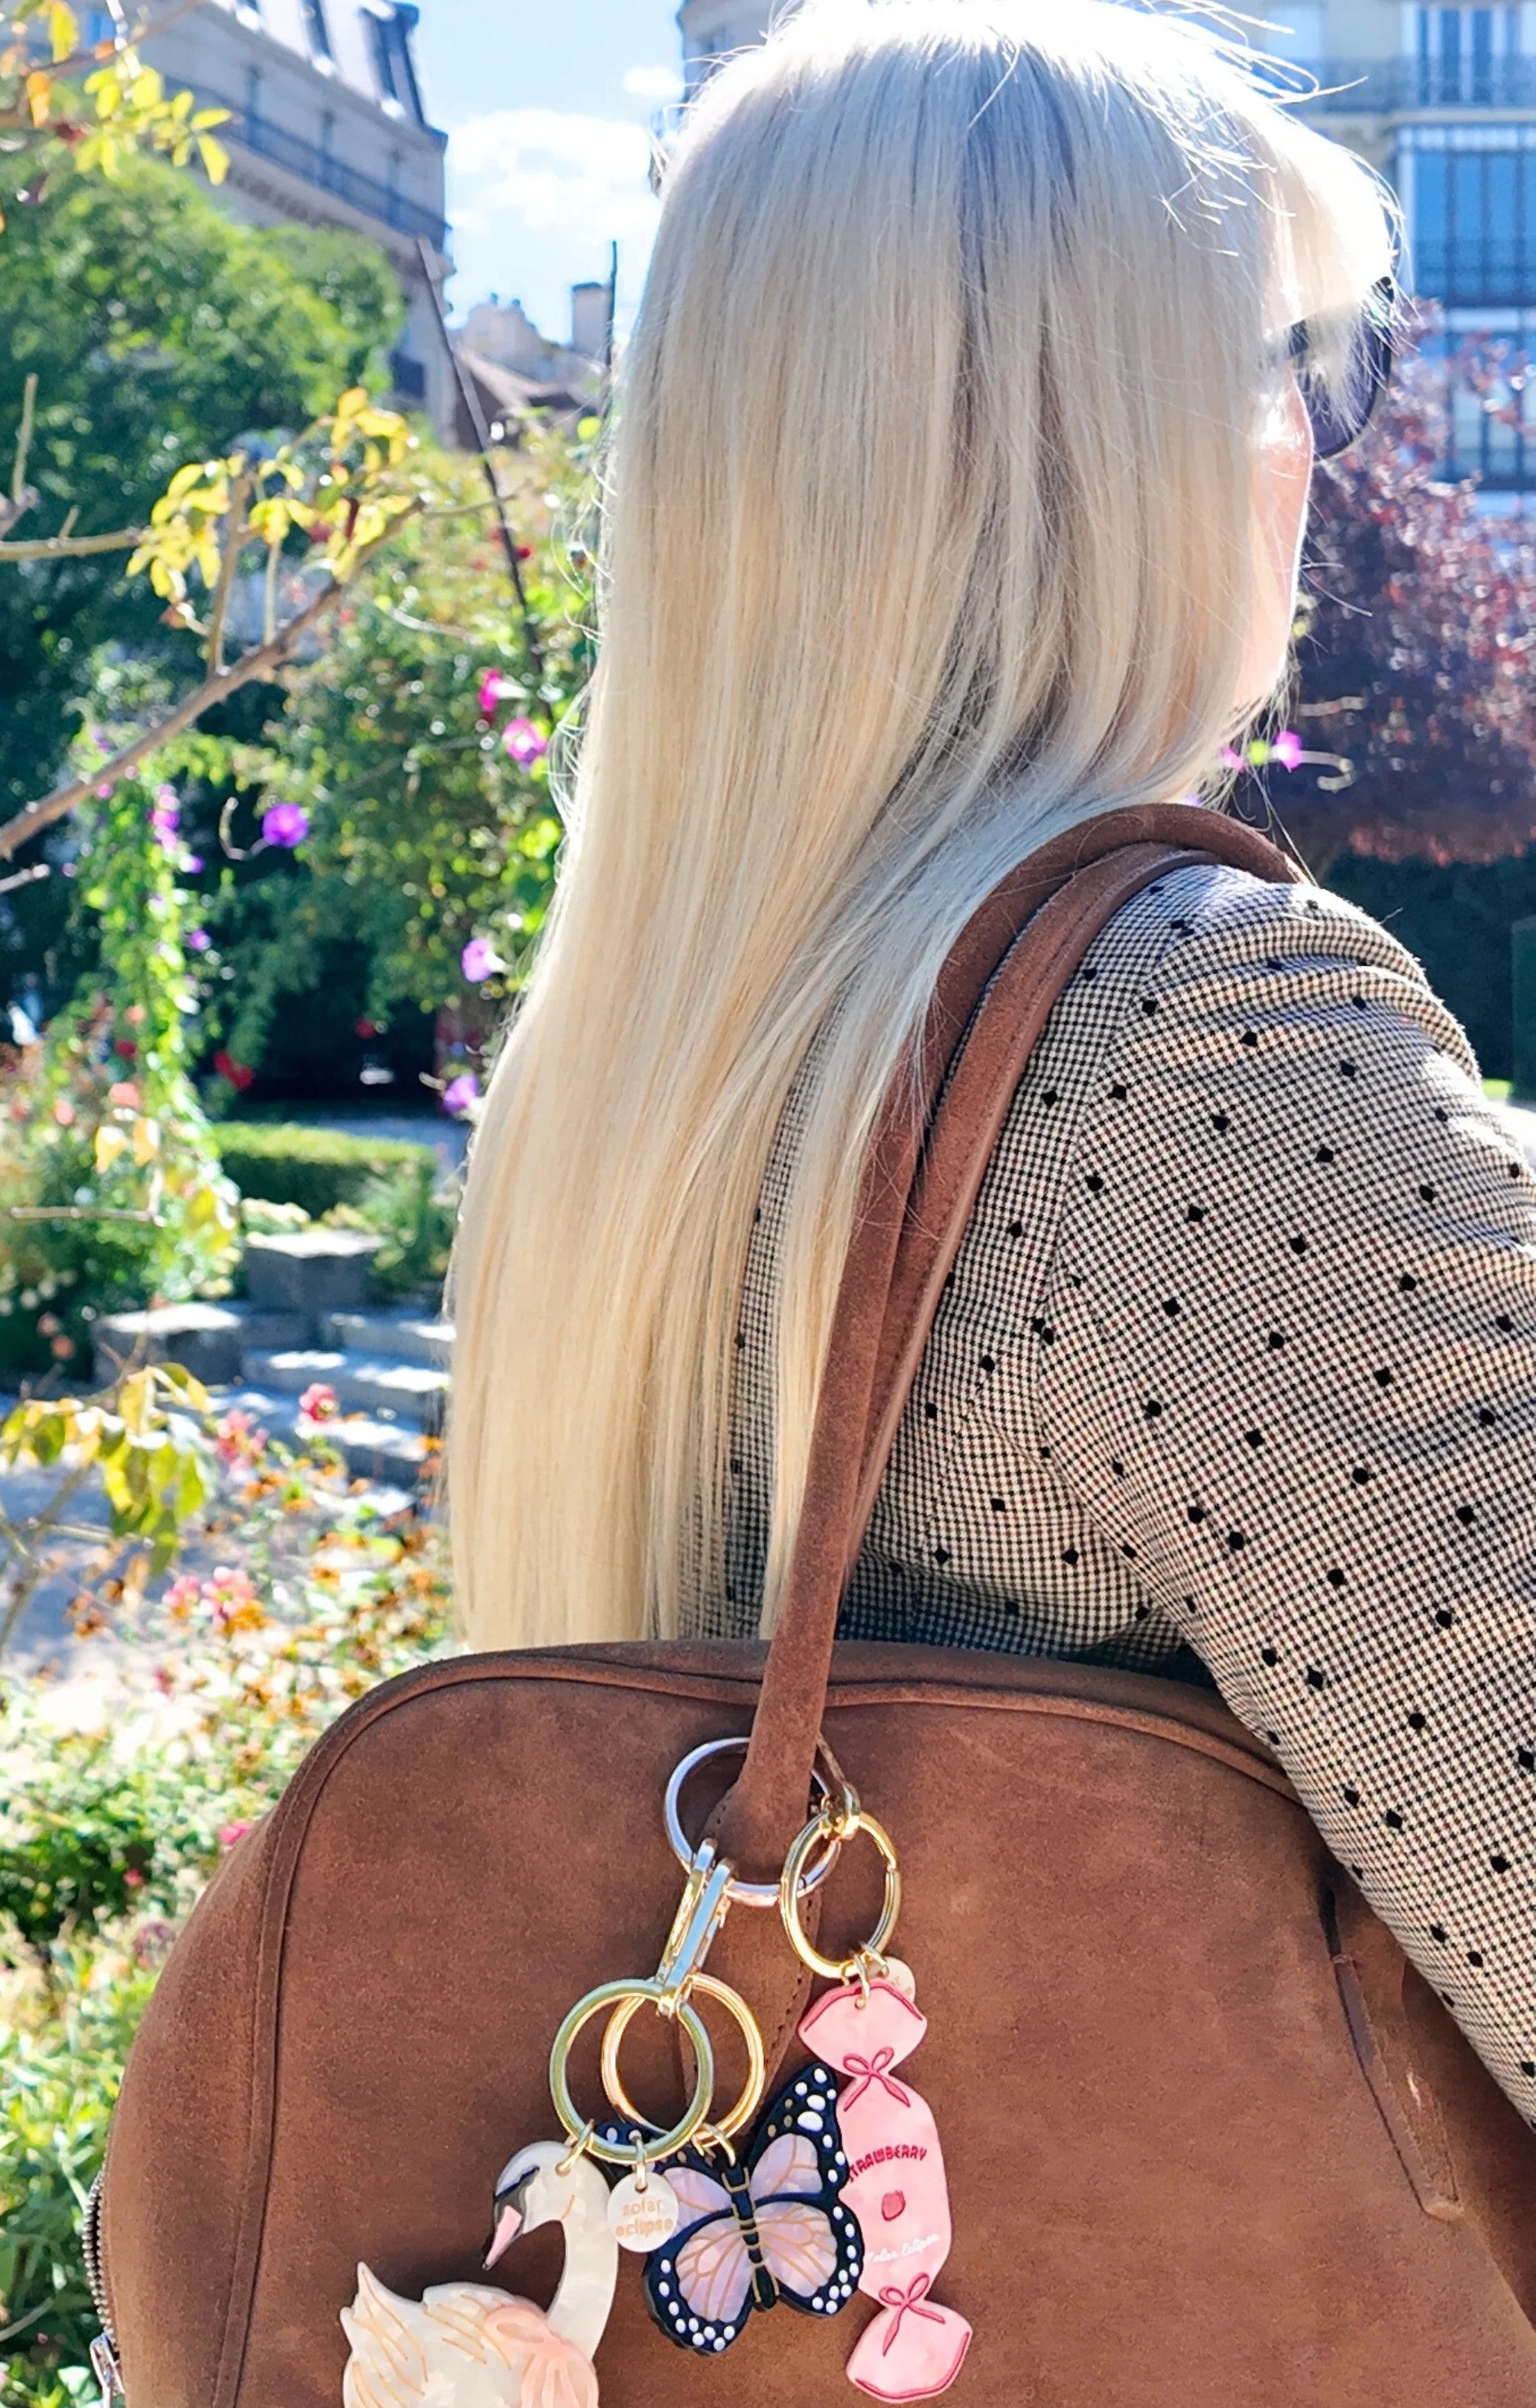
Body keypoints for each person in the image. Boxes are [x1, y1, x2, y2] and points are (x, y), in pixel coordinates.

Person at [448, 0, 1536, 2127]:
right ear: (1092, 447)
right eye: (1262, 365)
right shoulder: (1190, 1049)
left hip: (852, 2406)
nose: (1305, 448)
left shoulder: (660, 1060)